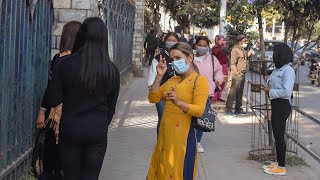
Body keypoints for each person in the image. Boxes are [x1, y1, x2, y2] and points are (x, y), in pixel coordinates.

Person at [44, 17, 120, 180]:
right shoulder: (112, 70)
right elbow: (111, 108)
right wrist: (99, 122)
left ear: (81, 36)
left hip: (71, 128)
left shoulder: (64, 64)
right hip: (97, 129)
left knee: (71, 176)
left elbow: (53, 99)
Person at [147, 42, 209, 179]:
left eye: (178, 58)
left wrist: (178, 102)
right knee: (161, 170)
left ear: (190, 57)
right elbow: (153, 97)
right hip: (165, 135)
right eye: (172, 59)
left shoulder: (199, 81)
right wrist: (158, 76)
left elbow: (199, 110)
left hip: (183, 137)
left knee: (179, 173)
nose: (174, 62)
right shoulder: (172, 80)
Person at [34, 20, 81, 180]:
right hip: (75, 116)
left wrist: (42, 112)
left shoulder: (59, 59)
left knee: (52, 155)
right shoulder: (82, 62)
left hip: (56, 116)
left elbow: (51, 90)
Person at [262, 43, 295, 176]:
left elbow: (286, 91)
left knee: (279, 137)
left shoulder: (288, 71)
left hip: (282, 105)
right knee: (277, 135)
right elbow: (272, 82)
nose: (274, 55)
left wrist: (270, 91)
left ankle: (281, 167)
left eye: (277, 53)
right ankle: (277, 161)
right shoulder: (278, 69)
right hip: (276, 104)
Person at [193, 36, 224, 153]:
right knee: (189, 116)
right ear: (195, 45)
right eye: (199, 45)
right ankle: (188, 140)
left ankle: (197, 142)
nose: (202, 47)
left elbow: (219, 72)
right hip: (190, 92)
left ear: (208, 46)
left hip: (207, 93)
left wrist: (216, 82)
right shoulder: (190, 58)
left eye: (204, 45)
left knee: (202, 117)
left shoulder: (212, 59)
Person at [147, 32, 179, 136]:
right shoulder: (158, 58)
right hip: (161, 93)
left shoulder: (181, 57)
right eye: (169, 40)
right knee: (163, 117)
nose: (172, 42)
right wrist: (152, 89)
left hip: (177, 93)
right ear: (165, 41)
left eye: (174, 41)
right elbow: (152, 76)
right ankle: (161, 141)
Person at [225, 35, 249, 116]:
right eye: (245, 41)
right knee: (233, 92)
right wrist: (237, 73)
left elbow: (244, 60)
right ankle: (228, 109)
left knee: (240, 93)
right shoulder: (235, 50)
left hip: (242, 74)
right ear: (240, 42)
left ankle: (238, 109)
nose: (246, 43)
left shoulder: (243, 50)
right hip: (237, 74)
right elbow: (233, 63)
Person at [212, 35, 228, 102]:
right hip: (218, 65)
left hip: (224, 66)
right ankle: (214, 97)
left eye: (223, 40)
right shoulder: (215, 47)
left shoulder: (224, 47)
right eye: (221, 40)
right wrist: (220, 47)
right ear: (217, 40)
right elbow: (215, 53)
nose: (223, 41)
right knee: (217, 81)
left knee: (223, 82)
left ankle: (219, 96)